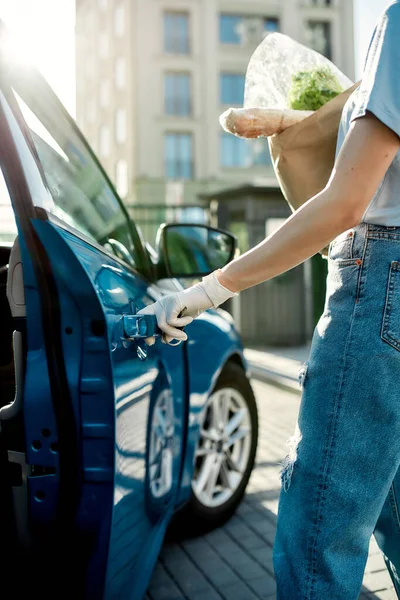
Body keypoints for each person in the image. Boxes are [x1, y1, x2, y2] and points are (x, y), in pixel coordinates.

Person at [138, 2, 400, 598]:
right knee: (391, 505)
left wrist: (208, 289)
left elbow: (344, 205)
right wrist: (288, 118)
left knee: (319, 528)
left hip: (382, 283)